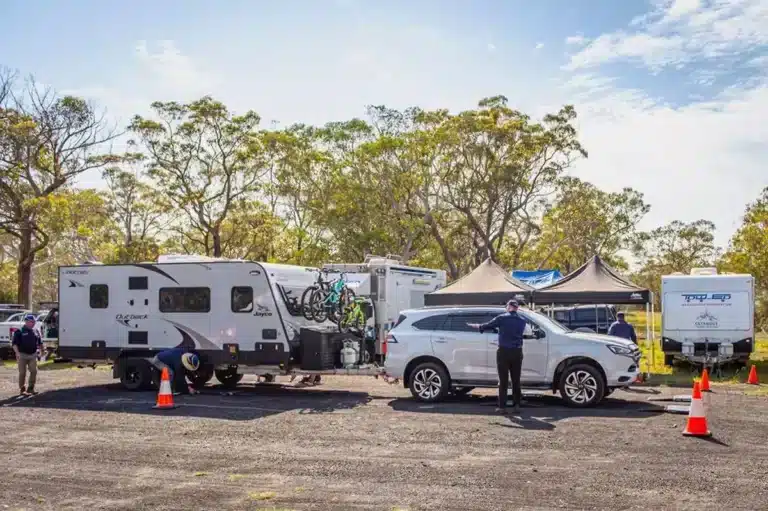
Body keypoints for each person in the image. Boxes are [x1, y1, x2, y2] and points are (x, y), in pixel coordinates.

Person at [475, 299, 528, 413]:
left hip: (504, 352)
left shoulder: (502, 318)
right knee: (516, 380)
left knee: (503, 380)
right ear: (517, 308)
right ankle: (517, 405)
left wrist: (479, 327)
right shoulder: (522, 320)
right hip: (517, 352)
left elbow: (488, 325)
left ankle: (502, 407)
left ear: (508, 307)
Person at [12, 314, 43, 395]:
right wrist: (17, 353)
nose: (32, 323)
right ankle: (22, 389)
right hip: (22, 355)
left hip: (33, 354)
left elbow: (39, 343)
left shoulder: (36, 331)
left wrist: (41, 351)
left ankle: (31, 388)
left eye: (34, 322)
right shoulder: (19, 331)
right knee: (22, 372)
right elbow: (14, 344)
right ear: (26, 322)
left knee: (34, 371)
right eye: (30, 322)